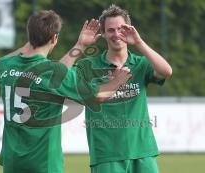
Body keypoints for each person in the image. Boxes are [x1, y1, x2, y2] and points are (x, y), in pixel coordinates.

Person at [0, 10, 132, 173]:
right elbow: (97, 96)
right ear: (54, 38)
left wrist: (80, 46)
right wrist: (117, 81)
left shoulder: (6, 66)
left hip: (12, 162)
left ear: (30, 34)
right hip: (43, 164)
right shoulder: (51, 72)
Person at [71, 4, 173, 173]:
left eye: (121, 29)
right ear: (102, 34)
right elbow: (69, 85)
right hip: (107, 154)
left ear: (129, 30)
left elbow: (166, 71)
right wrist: (80, 45)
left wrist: (139, 42)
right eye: (110, 30)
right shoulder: (88, 66)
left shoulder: (140, 64)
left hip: (142, 152)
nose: (116, 34)